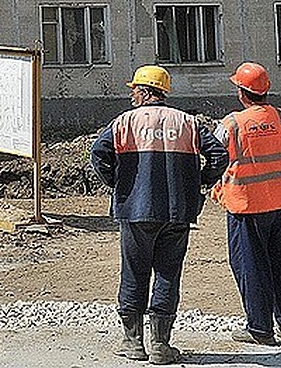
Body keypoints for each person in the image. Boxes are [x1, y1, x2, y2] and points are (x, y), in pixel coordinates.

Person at [90, 64, 228, 364]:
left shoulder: (124, 122)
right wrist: (199, 182)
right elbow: (220, 155)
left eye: (133, 91)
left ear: (142, 91)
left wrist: (118, 183)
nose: (131, 97)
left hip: (136, 211)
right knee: (168, 274)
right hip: (177, 211)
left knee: (133, 272)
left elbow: (97, 155)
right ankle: (160, 346)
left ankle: (133, 343)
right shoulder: (188, 122)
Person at [211, 61, 281, 346]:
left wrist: (215, 185)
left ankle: (260, 329)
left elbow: (214, 159)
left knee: (250, 265)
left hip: (247, 206)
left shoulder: (232, 124)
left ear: (242, 92)